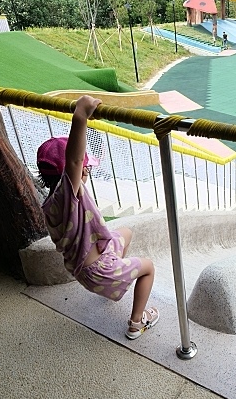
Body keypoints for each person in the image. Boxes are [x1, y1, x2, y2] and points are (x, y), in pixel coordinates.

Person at [37, 96, 159, 341]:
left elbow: (72, 162)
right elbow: (73, 159)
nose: (87, 170)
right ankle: (137, 323)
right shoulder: (69, 194)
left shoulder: (51, 204)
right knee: (148, 268)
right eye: (86, 167)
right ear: (77, 170)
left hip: (85, 266)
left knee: (125, 232)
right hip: (98, 270)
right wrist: (80, 115)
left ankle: (115, 284)